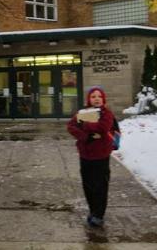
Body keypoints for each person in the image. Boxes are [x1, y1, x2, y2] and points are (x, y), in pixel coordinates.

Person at [67, 86, 118, 228]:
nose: (96, 99)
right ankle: (93, 211)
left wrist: (84, 124)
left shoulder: (106, 113)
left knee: (100, 186)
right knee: (88, 185)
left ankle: (99, 215)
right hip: (85, 154)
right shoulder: (83, 112)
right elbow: (71, 126)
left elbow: (103, 128)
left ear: (103, 99)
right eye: (93, 96)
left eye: (99, 96)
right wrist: (85, 136)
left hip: (101, 155)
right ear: (89, 99)